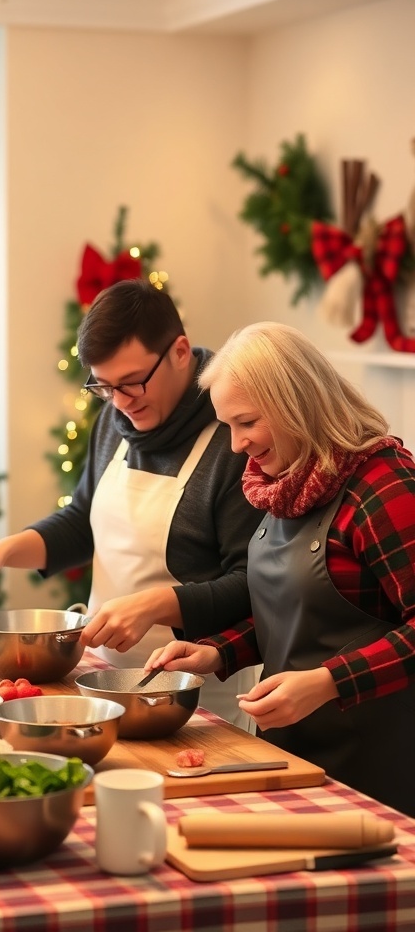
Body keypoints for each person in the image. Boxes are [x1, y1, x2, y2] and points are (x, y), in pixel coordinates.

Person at [0, 279, 263, 723]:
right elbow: (81, 521)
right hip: (101, 679)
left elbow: (253, 585)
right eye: (104, 386)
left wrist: (156, 604)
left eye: (132, 383)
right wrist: (3, 552)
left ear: (181, 351)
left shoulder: (233, 442)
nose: (120, 402)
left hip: (196, 698)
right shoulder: (115, 419)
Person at [144, 320, 415, 816]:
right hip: (291, 754)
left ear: (297, 404)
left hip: (378, 772)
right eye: (228, 425)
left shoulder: (385, 487)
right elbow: (299, 611)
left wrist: (328, 681)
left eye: (246, 422)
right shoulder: (287, 481)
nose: (235, 445)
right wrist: (216, 653)